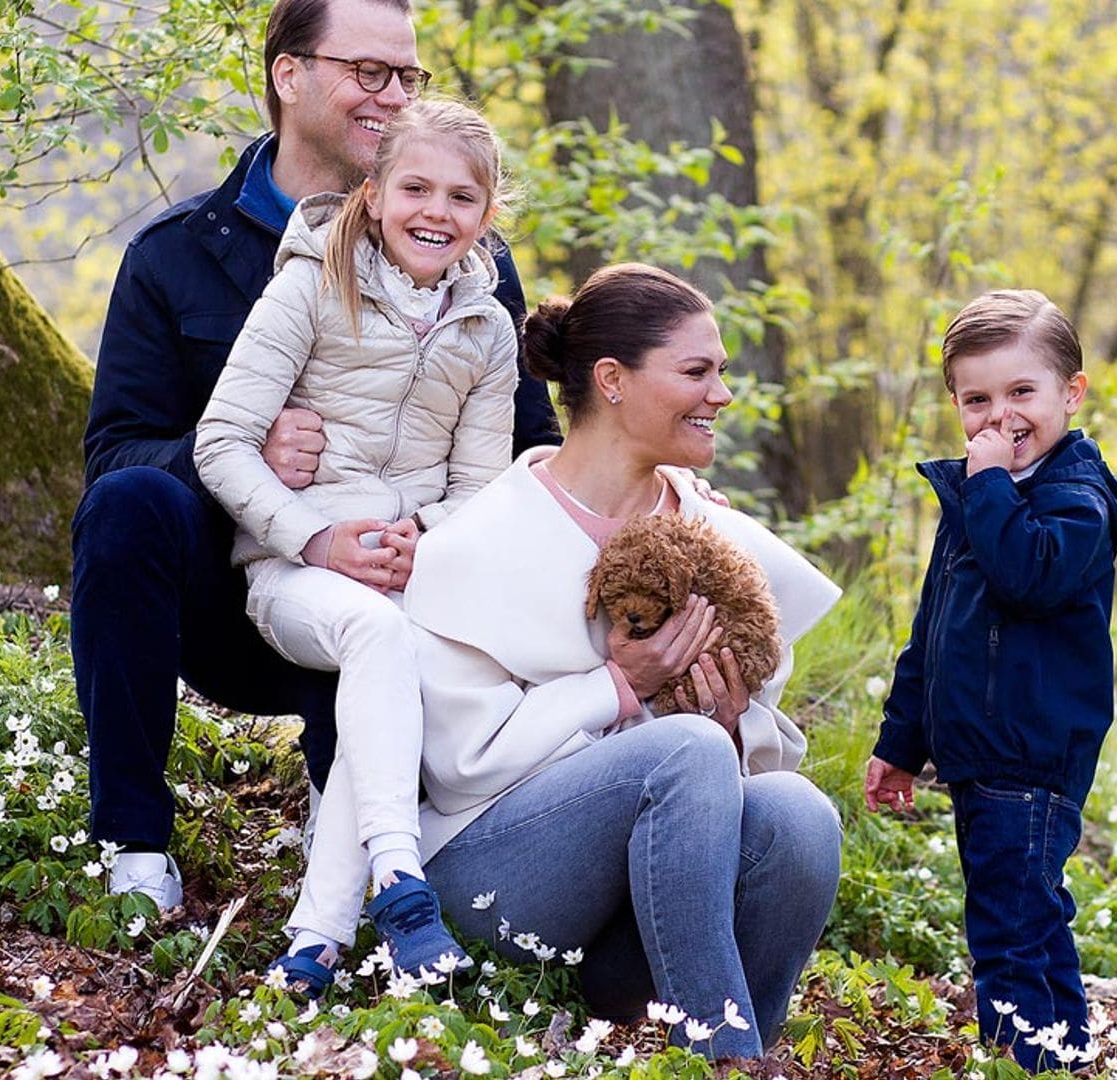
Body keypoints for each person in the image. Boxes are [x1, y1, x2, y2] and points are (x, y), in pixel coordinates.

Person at [71, 0, 559, 910]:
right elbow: (114, 453)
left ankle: (360, 817)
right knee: (128, 504)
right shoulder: (178, 255)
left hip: (399, 583)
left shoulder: (472, 274)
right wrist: (256, 460)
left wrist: (653, 490)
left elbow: (530, 450)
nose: (390, 96)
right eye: (365, 72)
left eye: (407, 76)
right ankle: (135, 844)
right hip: (233, 590)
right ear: (288, 76)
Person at [362, 263, 844, 1060]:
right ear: (612, 381)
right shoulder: (479, 541)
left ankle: (714, 1035)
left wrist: (725, 726)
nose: (721, 394)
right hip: (497, 882)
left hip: (638, 917)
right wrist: (620, 688)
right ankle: (729, 1061)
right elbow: (460, 768)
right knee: (681, 752)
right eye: (697, 371)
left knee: (799, 817)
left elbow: (740, 761)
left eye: (720, 372)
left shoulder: (714, 535)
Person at [195, 97, 518, 987]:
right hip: (296, 578)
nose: (435, 212)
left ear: (486, 217)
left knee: (397, 665)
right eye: (415, 187)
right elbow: (220, 442)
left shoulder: (487, 331)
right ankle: (402, 883)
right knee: (379, 638)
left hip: (410, 578)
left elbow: (480, 486)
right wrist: (316, 539)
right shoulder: (308, 283)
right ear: (372, 195)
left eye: (461, 198)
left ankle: (313, 943)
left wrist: (430, 537)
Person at [863, 289, 1117, 1073]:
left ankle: (1024, 1063)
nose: (999, 416)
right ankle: (1061, 1058)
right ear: (953, 402)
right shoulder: (981, 496)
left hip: (1033, 751)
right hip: (983, 754)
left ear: (1070, 393)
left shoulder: (1077, 499)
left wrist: (985, 487)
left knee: (1009, 931)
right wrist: (900, 742)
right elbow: (934, 628)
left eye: (1023, 393)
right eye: (976, 398)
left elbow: (1030, 578)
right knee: (1029, 922)